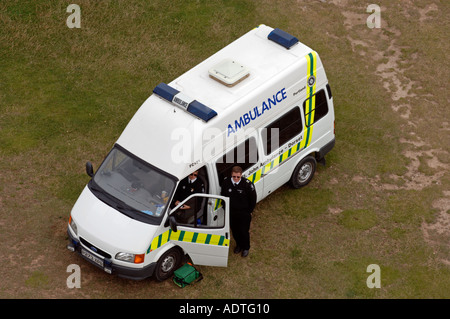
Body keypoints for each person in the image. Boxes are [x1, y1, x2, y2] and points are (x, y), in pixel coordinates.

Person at [221, 166, 257, 257]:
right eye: (234, 176)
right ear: (231, 175)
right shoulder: (226, 182)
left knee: (244, 231)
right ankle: (239, 245)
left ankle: (246, 247)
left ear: (241, 175)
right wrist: (226, 209)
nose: (236, 179)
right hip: (232, 213)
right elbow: (223, 196)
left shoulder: (247, 185)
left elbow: (253, 199)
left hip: (244, 213)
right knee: (235, 231)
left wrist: (249, 211)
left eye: (238, 177)